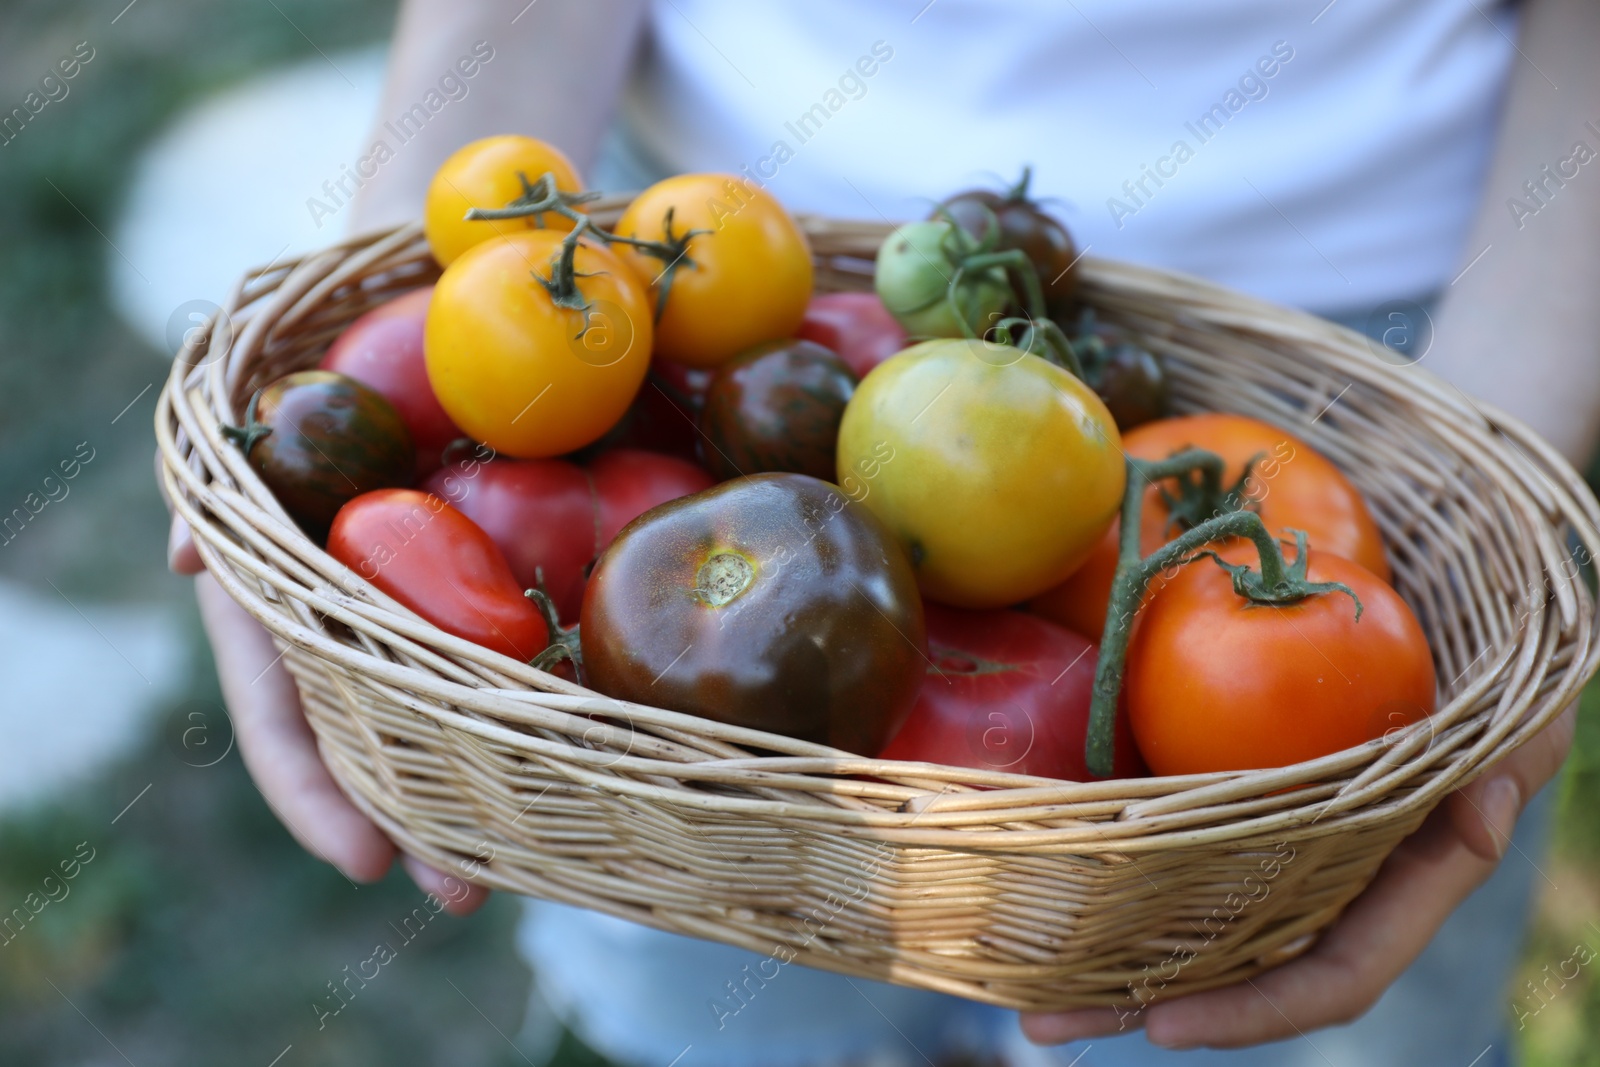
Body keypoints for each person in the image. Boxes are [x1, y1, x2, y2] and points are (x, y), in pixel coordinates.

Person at [167, 0, 1599, 1063]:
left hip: (1411, 353)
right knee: (709, 1018)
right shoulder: (681, 402)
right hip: (689, 326)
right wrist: (357, 376)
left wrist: (1484, 484)